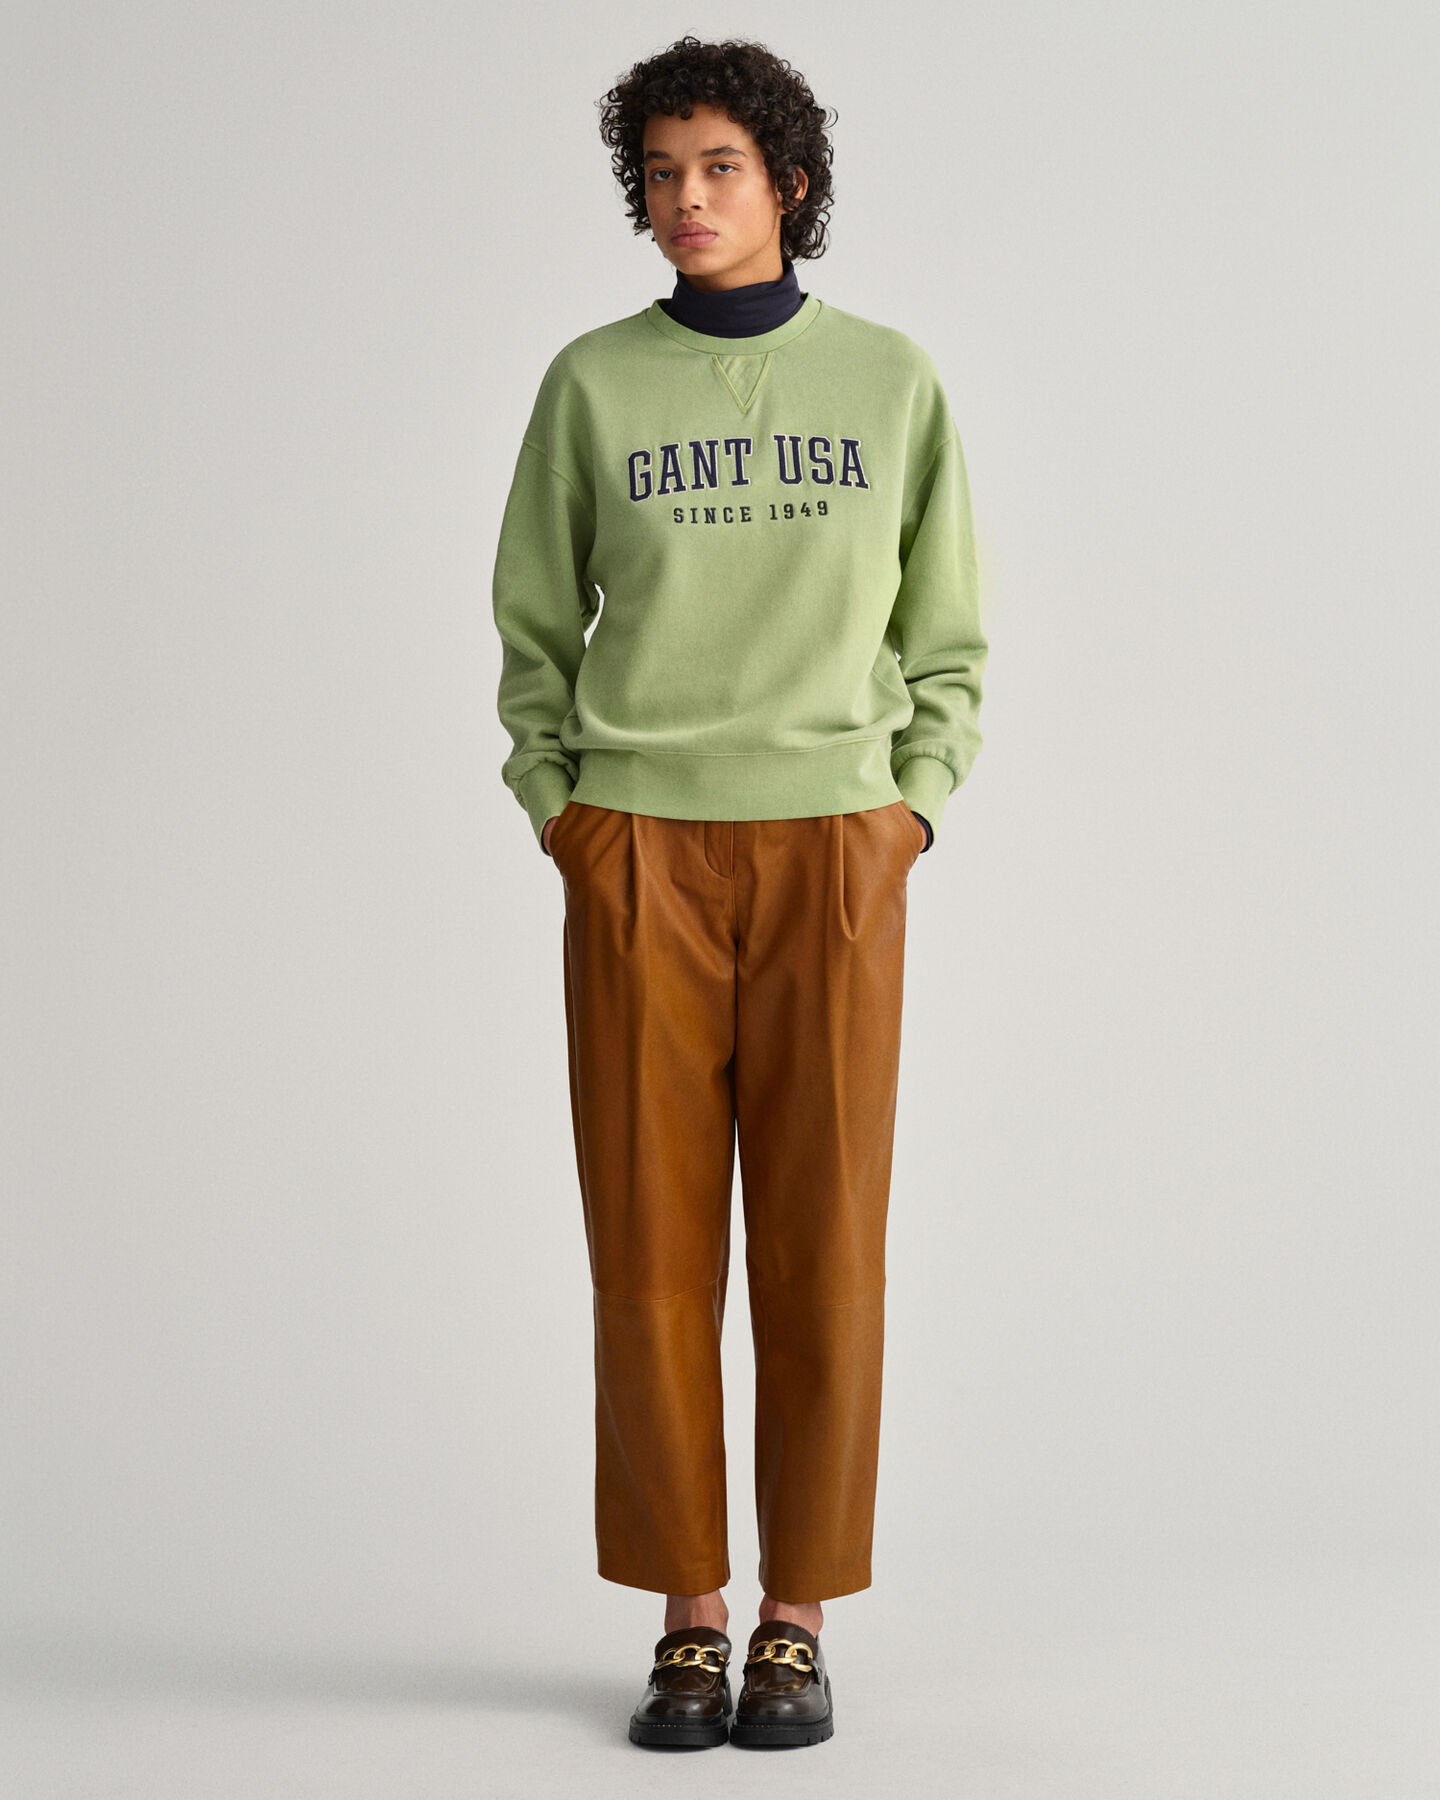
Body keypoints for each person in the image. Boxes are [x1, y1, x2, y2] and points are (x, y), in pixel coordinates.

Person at [491, 35, 987, 1750]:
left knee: (824, 1244)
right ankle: (688, 1613)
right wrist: (562, 809)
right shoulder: (592, 386)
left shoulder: (893, 382)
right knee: (648, 1245)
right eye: (660, 171)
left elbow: (948, 635)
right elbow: (533, 625)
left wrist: (911, 812)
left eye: (719, 167)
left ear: (790, 182)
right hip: (639, 844)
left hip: (837, 846)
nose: (686, 198)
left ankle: (799, 1614)